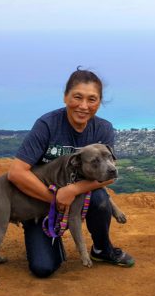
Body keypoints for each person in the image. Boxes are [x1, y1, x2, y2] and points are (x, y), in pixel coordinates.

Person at [7, 67, 135, 278]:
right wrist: (56, 198)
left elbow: (109, 174)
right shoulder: (47, 125)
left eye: (92, 99)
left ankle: (102, 249)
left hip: (80, 197)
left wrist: (73, 189)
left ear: (99, 102)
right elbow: (17, 173)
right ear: (66, 97)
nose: (84, 106)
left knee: (100, 198)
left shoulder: (103, 129)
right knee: (43, 268)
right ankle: (52, 240)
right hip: (41, 202)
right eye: (77, 97)